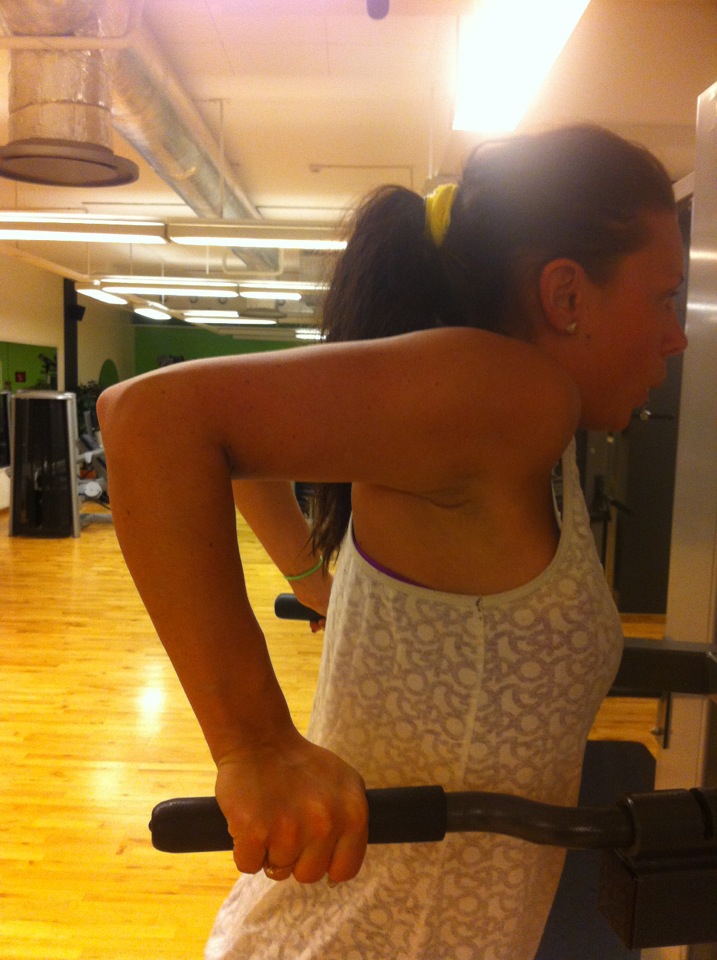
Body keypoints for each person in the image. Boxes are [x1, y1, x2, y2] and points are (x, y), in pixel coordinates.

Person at [98, 124, 687, 960]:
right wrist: (254, 746)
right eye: (662, 298)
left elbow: (248, 464)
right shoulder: (513, 396)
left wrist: (314, 578)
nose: (676, 335)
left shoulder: (512, 429)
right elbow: (149, 420)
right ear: (565, 295)